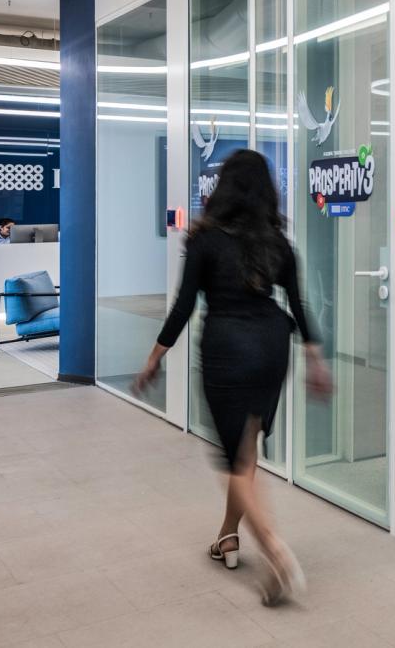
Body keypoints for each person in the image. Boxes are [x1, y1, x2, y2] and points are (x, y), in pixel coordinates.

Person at [132, 149, 333, 606]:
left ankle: (277, 552)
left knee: (232, 459)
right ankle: (228, 535)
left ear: (222, 188)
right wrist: (316, 359)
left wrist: (153, 358)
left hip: (227, 348)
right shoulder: (278, 242)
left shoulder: (204, 240)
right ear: (266, 190)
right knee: (245, 450)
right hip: (271, 345)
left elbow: (183, 307)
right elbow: (299, 306)